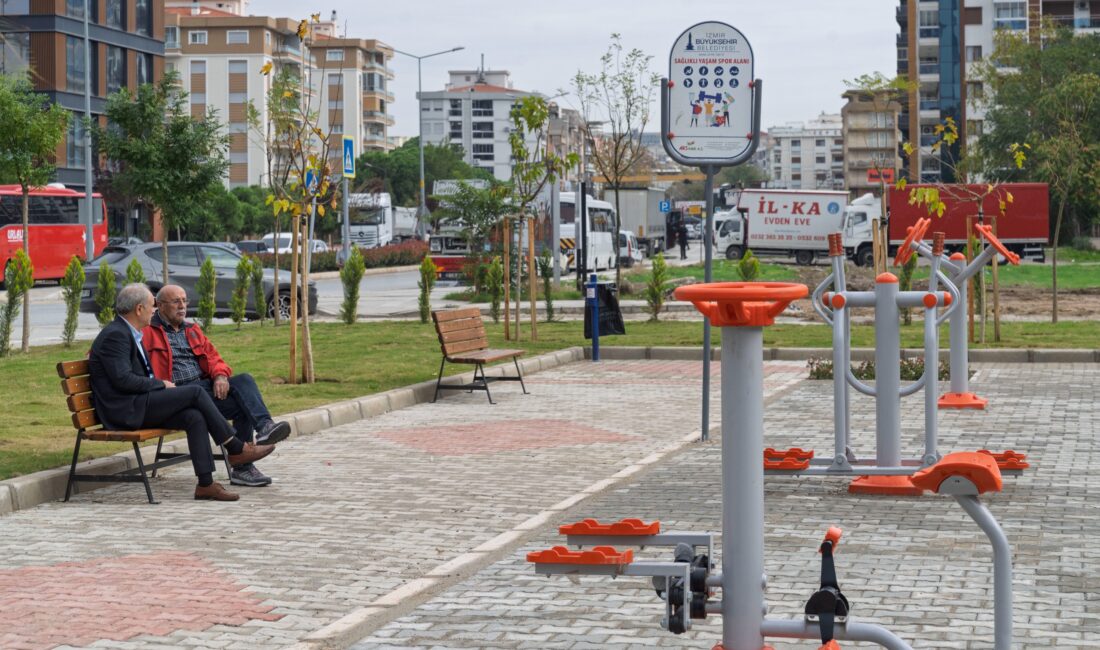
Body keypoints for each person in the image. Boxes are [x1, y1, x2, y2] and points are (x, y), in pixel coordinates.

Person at [88, 284, 276, 501]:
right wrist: (161, 384)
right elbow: (122, 379)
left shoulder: (128, 333)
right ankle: (235, 448)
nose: (154, 311)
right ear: (139, 309)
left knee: (193, 416)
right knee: (194, 393)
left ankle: (206, 484)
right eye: (152, 306)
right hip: (125, 411)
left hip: (138, 403)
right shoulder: (116, 335)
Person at [143, 284, 292, 488]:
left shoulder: (192, 330)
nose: (182, 306)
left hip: (202, 390)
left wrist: (220, 376)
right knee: (239, 401)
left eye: (185, 301)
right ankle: (242, 463)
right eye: (176, 301)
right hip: (176, 396)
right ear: (159, 305)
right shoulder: (147, 332)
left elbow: (213, 357)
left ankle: (263, 430)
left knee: (244, 382)